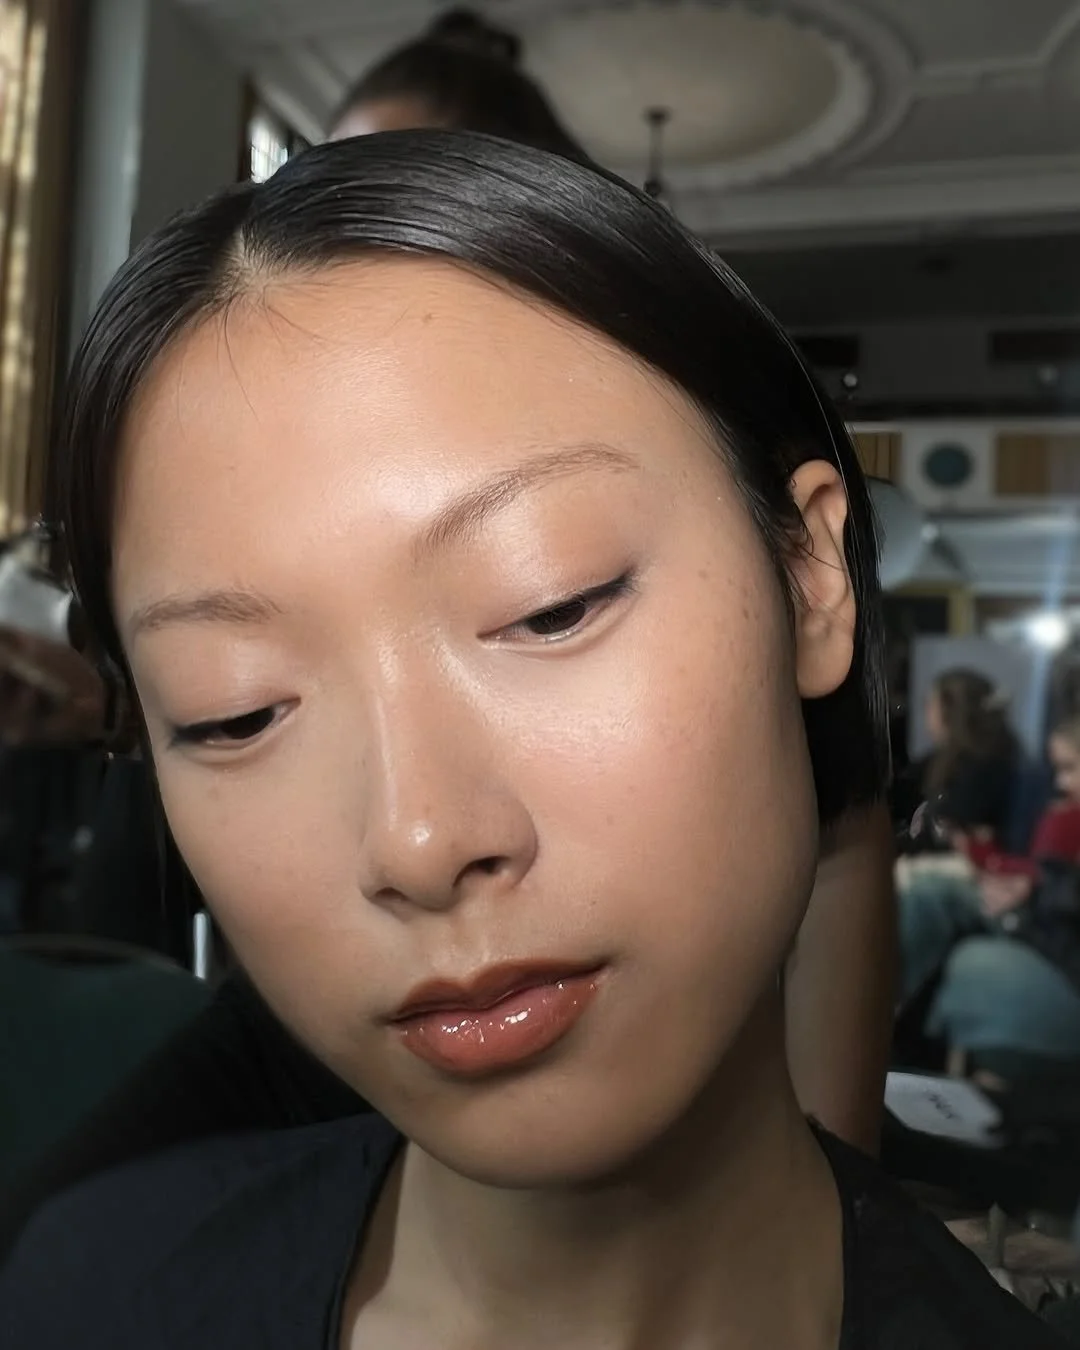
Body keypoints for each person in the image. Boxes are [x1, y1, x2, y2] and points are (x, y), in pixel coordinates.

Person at [0, 131, 1054, 1349]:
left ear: (811, 571)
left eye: (552, 604)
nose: (421, 837)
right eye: (234, 710)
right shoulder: (81, 1294)